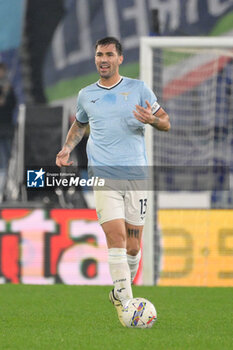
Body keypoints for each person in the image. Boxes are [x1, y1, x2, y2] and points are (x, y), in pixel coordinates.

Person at [56, 37, 170, 326]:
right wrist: (68, 148)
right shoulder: (86, 95)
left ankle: (120, 293)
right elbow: (80, 123)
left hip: (136, 177)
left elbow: (166, 121)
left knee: (133, 247)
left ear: (120, 58)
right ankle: (127, 304)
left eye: (108, 54)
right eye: (98, 55)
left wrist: (152, 120)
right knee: (116, 239)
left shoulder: (138, 89)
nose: (103, 59)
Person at [0, 63, 17, 201]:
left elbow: (13, 104)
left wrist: (7, 95)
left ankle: (9, 187)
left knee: (10, 159)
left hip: (8, 128)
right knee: (2, 160)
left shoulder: (8, 86)